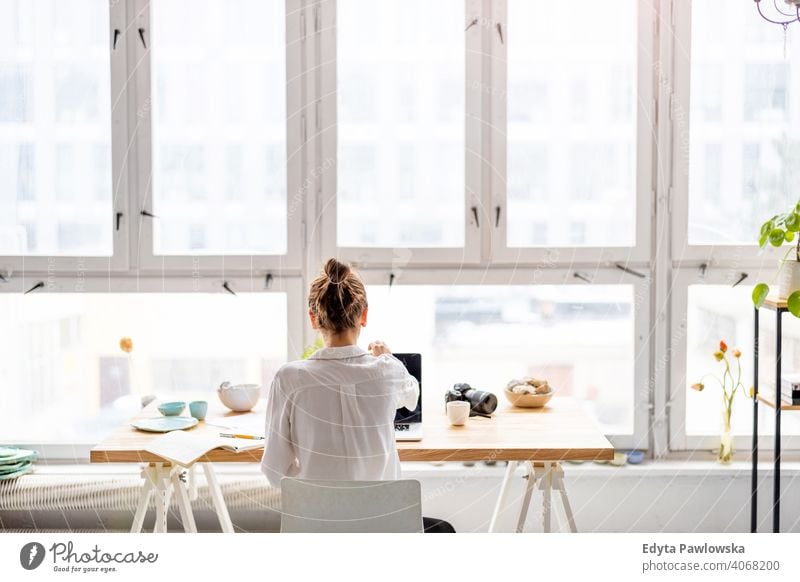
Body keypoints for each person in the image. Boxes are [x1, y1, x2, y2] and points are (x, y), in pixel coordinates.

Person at [260, 257, 455, 533]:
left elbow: (274, 471)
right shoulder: (387, 370)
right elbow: (411, 396)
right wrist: (388, 357)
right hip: (385, 530)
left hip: (318, 530)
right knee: (443, 530)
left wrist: (314, 488)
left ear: (314, 318)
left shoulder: (289, 378)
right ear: (363, 315)